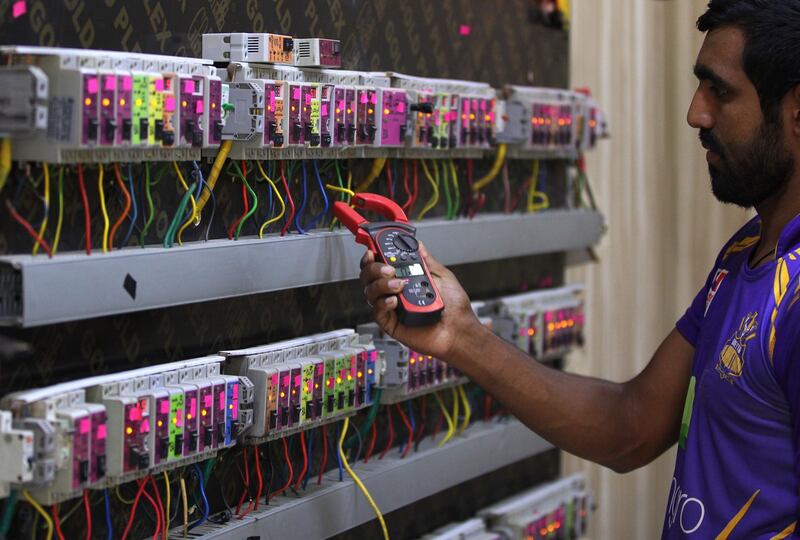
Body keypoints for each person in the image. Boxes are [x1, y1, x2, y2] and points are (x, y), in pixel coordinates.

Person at [360, 1, 800, 538]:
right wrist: (459, 334)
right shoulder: (747, 255)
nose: (696, 114)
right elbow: (629, 427)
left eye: (721, 92)